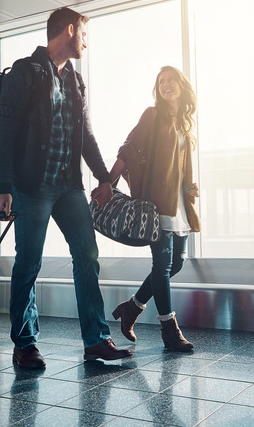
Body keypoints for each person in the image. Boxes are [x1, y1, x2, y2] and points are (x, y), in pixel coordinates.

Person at [0, 7, 130, 368]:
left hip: (69, 187)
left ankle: (96, 340)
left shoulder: (75, 80)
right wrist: (3, 186)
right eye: (84, 33)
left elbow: (85, 135)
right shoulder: (26, 72)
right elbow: (2, 133)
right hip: (30, 186)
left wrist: (103, 178)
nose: (86, 41)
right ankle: (25, 344)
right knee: (29, 263)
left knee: (87, 256)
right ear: (69, 30)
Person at [107, 66, 201, 351]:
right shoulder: (152, 115)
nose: (166, 84)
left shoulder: (184, 123)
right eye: (161, 81)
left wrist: (189, 187)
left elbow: (181, 165)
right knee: (161, 266)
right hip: (157, 204)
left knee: (177, 263)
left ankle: (132, 307)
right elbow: (128, 150)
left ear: (182, 86)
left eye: (171, 79)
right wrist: (107, 184)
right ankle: (170, 331)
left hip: (179, 204)